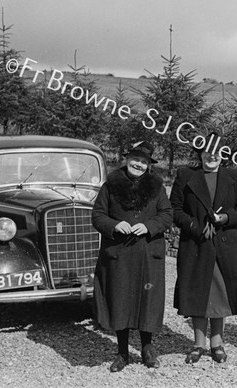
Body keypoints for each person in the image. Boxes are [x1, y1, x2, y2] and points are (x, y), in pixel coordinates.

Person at [92, 141, 173, 372]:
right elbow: (97, 216)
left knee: (147, 301)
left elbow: (167, 215)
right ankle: (122, 352)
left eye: (144, 161)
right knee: (121, 300)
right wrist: (115, 225)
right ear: (127, 159)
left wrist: (148, 226)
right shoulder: (110, 186)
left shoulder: (157, 187)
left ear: (149, 166)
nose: (138, 164)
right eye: (135, 159)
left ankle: (147, 348)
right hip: (120, 254)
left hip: (148, 252)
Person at [171, 132, 237, 364]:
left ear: (223, 154)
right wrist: (195, 225)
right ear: (200, 153)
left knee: (220, 294)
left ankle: (217, 344)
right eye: (207, 151)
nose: (212, 155)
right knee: (197, 292)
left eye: (217, 151)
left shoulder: (233, 177)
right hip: (195, 244)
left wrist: (225, 217)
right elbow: (175, 209)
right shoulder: (185, 175)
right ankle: (197, 344)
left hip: (223, 245)